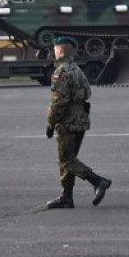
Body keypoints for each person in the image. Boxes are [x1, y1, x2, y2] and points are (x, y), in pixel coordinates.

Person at [44, 36, 111, 209]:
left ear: (59, 50)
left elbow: (59, 102)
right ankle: (66, 197)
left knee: (66, 160)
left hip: (67, 122)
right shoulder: (77, 69)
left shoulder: (61, 72)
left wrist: (50, 123)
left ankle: (98, 181)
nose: (54, 52)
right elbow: (88, 92)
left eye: (55, 49)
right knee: (69, 158)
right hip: (81, 120)